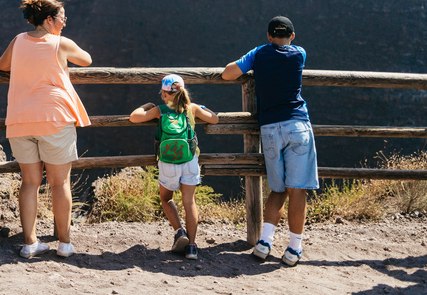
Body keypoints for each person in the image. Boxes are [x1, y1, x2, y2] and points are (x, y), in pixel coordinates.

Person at [0, 0, 92, 259]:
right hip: (54, 118)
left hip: (19, 119)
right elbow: (87, 60)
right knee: (59, 183)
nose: (64, 22)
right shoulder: (61, 43)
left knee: (29, 183)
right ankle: (64, 243)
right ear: (49, 20)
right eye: (62, 17)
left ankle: (29, 244)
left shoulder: (18, 41)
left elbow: (2, 66)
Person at [221, 16, 319, 266]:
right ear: (292, 36)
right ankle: (293, 249)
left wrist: (252, 59)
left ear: (268, 36)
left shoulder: (259, 53)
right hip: (297, 125)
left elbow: (228, 74)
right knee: (297, 191)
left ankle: (264, 243)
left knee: (277, 189)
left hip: (270, 129)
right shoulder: (300, 53)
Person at [129, 74, 219, 260]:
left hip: (168, 162)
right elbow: (214, 119)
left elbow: (134, 118)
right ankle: (192, 247)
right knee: (190, 202)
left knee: (166, 199)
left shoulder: (160, 110)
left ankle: (179, 232)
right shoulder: (191, 109)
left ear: (164, 93)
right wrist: (200, 107)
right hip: (190, 161)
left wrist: (147, 106)